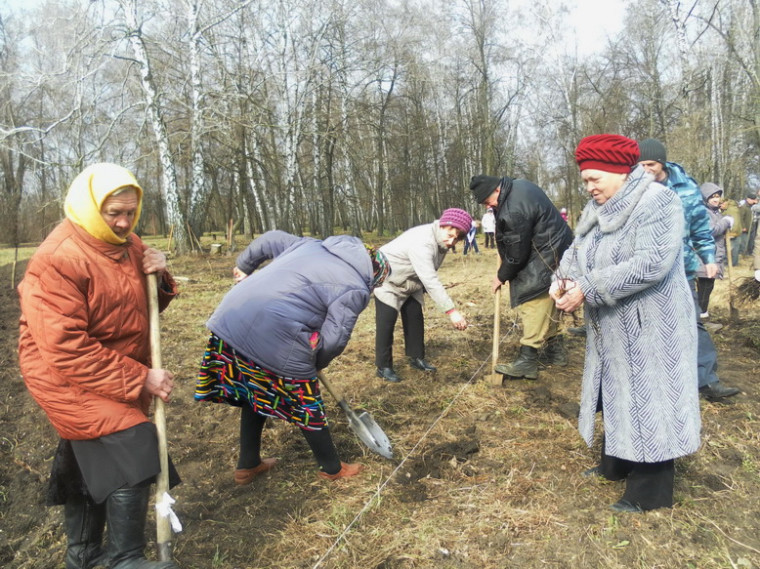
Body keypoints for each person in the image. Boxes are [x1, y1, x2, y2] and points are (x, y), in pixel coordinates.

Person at [18, 163, 180, 569]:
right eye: (114, 213)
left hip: (108, 365)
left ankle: (85, 555)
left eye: (131, 212)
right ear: (91, 206)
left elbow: (144, 309)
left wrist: (160, 276)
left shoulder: (128, 244)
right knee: (134, 442)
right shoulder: (57, 260)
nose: (124, 222)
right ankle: (125, 559)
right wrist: (140, 377)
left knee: (91, 451)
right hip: (63, 372)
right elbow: (64, 347)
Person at [551, 134, 701, 513]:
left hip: (653, 326)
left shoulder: (658, 201)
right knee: (617, 391)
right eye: (585, 179)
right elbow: (575, 251)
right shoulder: (597, 207)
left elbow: (651, 263)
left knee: (650, 397)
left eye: (594, 178)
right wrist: (562, 281)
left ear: (619, 171)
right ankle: (615, 463)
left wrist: (588, 289)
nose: (589, 186)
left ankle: (650, 491)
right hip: (613, 324)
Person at [195, 230, 390, 482]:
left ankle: (248, 464)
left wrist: (244, 266)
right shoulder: (355, 287)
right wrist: (311, 365)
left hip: (230, 319)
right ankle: (332, 469)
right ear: (374, 275)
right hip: (274, 333)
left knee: (255, 389)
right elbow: (334, 340)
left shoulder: (310, 245)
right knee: (307, 402)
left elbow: (270, 238)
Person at [638, 138, 740, 401]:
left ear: (661, 162)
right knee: (646, 324)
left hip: (679, 266)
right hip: (643, 266)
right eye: (640, 164)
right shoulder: (632, 185)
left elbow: (698, 225)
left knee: (692, 322)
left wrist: (708, 256)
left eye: (649, 164)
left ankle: (706, 381)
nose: (644, 169)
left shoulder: (685, 186)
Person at [470, 174, 573, 380]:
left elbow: (517, 254)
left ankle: (527, 360)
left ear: (496, 191)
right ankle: (555, 351)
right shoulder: (519, 185)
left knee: (532, 298)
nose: (486, 206)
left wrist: (502, 275)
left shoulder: (513, 208)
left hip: (544, 253)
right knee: (549, 298)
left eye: (486, 201)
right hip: (559, 247)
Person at [374, 208, 470, 383]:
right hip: (389, 280)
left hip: (411, 281)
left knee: (415, 318)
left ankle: (416, 357)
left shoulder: (441, 241)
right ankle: (383, 366)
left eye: (456, 238)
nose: (451, 241)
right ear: (442, 225)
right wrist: (451, 311)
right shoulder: (423, 242)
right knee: (386, 323)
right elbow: (430, 279)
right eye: (449, 235)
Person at [696, 183, 732, 318]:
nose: (716, 199)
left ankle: (701, 313)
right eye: (712, 197)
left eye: (718, 196)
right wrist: (725, 222)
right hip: (705, 258)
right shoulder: (704, 212)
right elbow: (710, 231)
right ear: (705, 198)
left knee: (707, 287)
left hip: (712, 256)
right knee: (705, 287)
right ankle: (700, 316)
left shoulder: (715, 212)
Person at [739, 192, 759, 259]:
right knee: (744, 242)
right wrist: (743, 227)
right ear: (748, 199)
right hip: (746, 228)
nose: (753, 201)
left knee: (751, 241)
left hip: (753, 227)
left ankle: (749, 253)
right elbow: (740, 218)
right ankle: (742, 254)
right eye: (752, 199)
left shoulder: (753, 207)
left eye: (754, 199)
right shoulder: (743, 207)